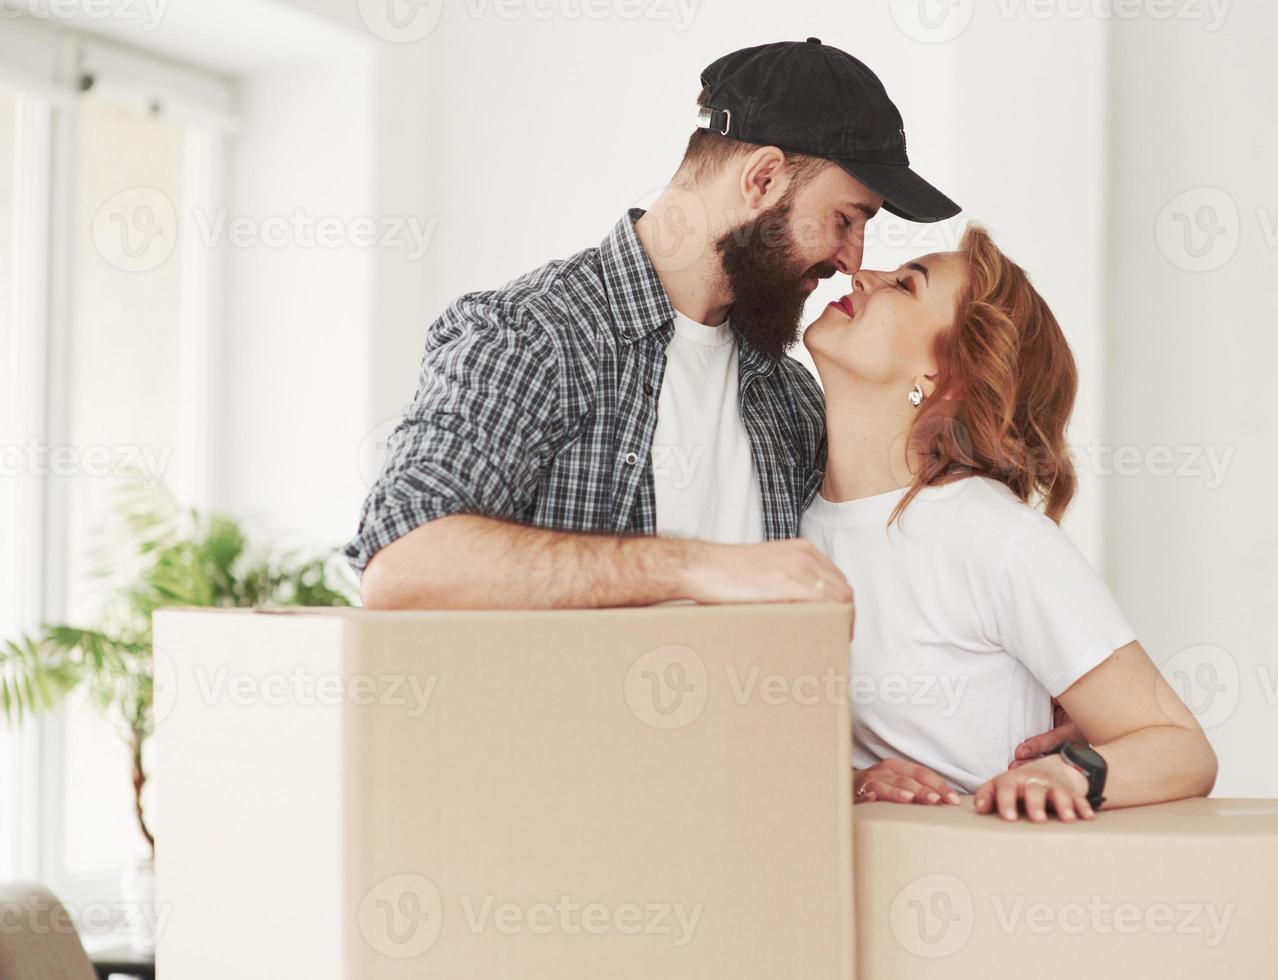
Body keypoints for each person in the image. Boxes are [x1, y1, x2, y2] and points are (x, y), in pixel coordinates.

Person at [346, 38, 961, 609]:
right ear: (763, 179)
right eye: (846, 219)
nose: (853, 259)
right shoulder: (533, 336)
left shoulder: (791, 398)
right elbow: (401, 564)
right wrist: (690, 566)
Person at [799, 225, 1219, 821]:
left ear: (941, 378)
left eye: (904, 285)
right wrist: (854, 780)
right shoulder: (780, 512)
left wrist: (1067, 772)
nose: (861, 275)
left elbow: (1183, 747)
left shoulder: (994, 538)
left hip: (996, 890)